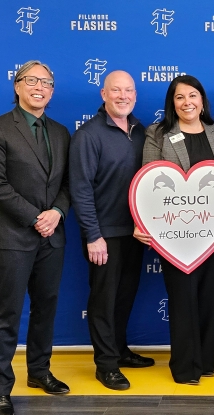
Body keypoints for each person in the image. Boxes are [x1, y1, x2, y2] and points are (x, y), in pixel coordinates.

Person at [0, 60, 71, 415]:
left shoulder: (61, 132)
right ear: (17, 86)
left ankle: (39, 371)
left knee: (45, 309)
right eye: (31, 80)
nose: (39, 87)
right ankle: (0, 390)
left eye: (46, 82)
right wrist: (36, 216)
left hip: (52, 238)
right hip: (12, 238)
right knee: (7, 315)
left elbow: (68, 185)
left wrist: (57, 213)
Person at [135, 75, 214, 384]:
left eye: (193, 96)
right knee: (182, 298)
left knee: (207, 295)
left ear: (202, 100)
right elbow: (147, 181)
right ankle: (184, 367)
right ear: (172, 103)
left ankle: (205, 361)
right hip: (172, 234)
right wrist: (142, 224)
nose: (187, 103)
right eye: (180, 97)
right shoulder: (158, 133)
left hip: (209, 232)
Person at [70, 70, 154, 391]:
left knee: (124, 296)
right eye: (116, 90)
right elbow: (80, 190)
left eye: (129, 90)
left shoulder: (141, 130)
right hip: (103, 235)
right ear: (103, 94)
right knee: (103, 300)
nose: (123, 96)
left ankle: (119, 351)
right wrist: (93, 235)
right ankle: (105, 364)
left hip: (134, 233)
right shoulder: (88, 135)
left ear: (135, 94)